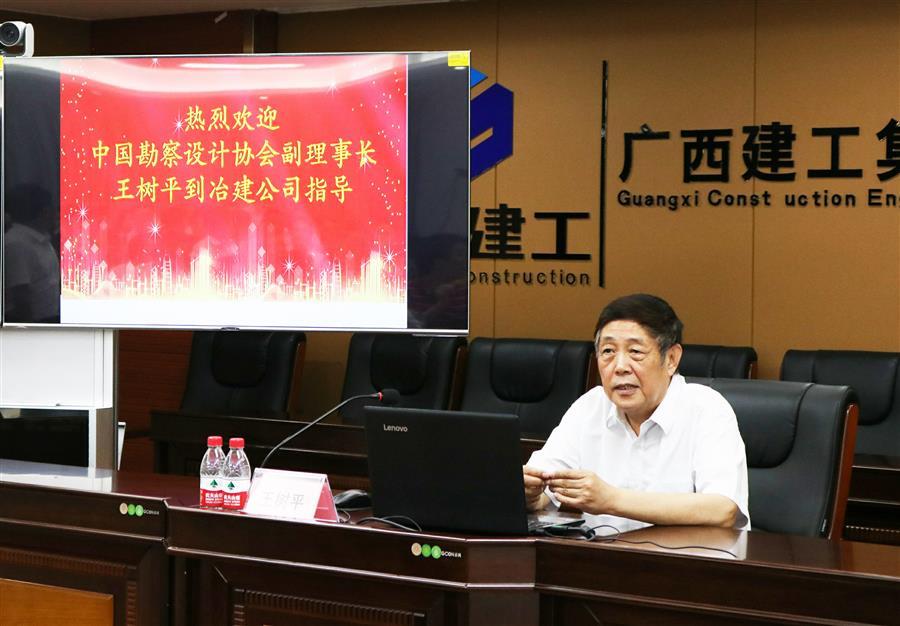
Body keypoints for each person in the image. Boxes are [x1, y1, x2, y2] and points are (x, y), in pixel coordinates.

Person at [524, 293, 750, 531]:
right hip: (602, 553)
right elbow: (544, 488)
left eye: (635, 352)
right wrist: (531, 496)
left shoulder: (707, 409)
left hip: (689, 554)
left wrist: (611, 500)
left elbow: (723, 509)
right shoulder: (589, 407)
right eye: (608, 351)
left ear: (671, 359)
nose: (620, 367)